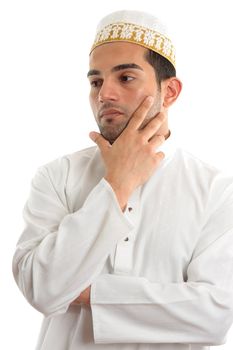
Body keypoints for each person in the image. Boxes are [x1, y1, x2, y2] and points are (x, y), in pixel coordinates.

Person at [12, 9, 233, 350]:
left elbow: (214, 316)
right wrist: (117, 185)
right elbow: (42, 290)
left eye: (125, 78)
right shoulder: (57, 176)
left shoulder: (216, 189)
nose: (105, 95)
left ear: (170, 91)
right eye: (96, 82)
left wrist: (89, 295)